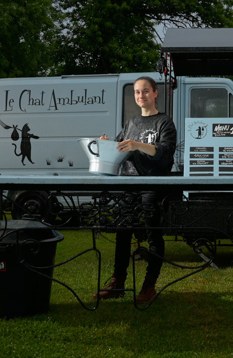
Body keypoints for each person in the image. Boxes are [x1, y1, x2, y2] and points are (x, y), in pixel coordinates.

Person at [93, 76, 176, 302]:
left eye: (146, 91)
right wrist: (107, 142)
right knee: (122, 233)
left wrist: (137, 144)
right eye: (138, 92)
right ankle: (118, 283)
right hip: (128, 184)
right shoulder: (131, 123)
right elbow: (119, 149)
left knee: (153, 235)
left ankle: (149, 287)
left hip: (152, 184)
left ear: (155, 93)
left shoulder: (165, 123)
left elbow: (165, 154)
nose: (141, 96)